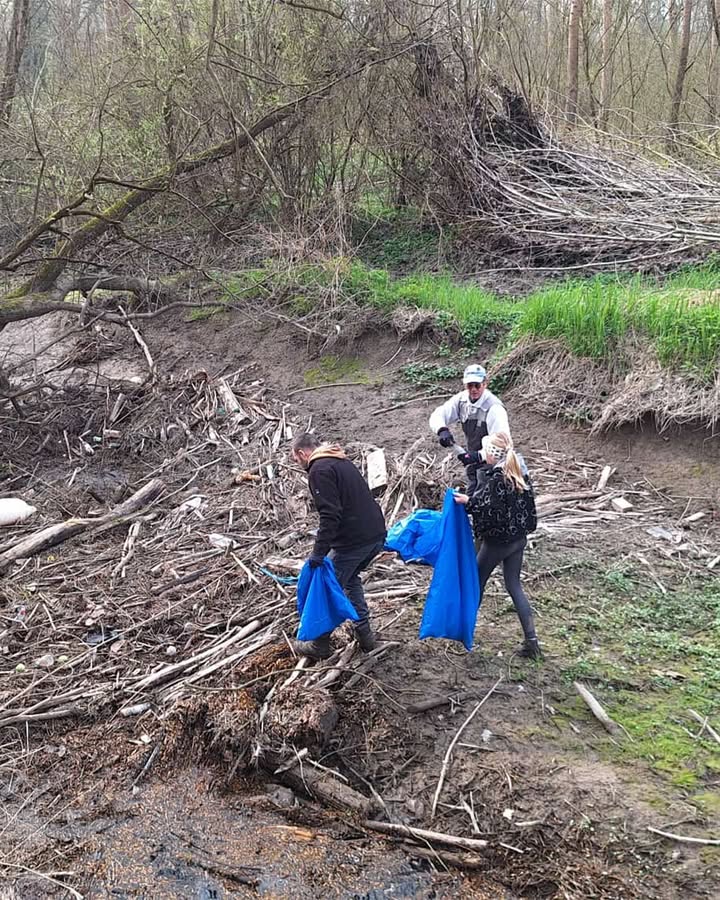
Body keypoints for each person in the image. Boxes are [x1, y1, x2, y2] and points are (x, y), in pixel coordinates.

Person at [291, 432, 387, 660]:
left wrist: (318, 554)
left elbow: (330, 515)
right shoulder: (339, 460)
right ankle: (366, 637)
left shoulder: (319, 469)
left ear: (302, 453)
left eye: (296, 459)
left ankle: (319, 645)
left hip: (355, 541)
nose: (299, 464)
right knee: (351, 580)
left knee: (325, 588)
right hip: (375, 534)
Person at [453, 432, 541, 660]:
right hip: (519, 540)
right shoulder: (517, 471)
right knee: (514, 586)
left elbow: (489, 509)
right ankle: (532, 642)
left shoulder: (497, 478)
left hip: (498, 543)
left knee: (476, 584)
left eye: (485, 451)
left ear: (492, 454)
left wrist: (467, 502)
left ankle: (465, 634)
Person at [429, 363, 510, 492]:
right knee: (472, 497)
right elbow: (438, 414)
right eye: (469, 385)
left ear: (485, 384)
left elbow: (504, 445)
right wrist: (442, 430)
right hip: (473, 463)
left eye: (477, 385)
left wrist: (479, 456)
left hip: (495, 466)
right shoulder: (461, 400)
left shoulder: (494, 408)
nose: (473, 389)